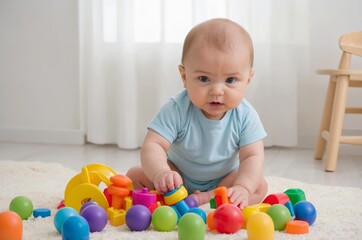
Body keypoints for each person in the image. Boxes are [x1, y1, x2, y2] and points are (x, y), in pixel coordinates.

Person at [126, 18, 268, 208]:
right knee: (135, 176)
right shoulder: (177, 108)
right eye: (204, 78)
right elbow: (153, 144)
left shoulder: (246, 115)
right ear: (184, 77)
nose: (217, 90)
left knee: (258, 185)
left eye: (231, 80)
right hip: (177, 179)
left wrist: (242, 187)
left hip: (223, 181)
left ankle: (210, 197)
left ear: (248, 80)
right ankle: (179, 198)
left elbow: (252, 156)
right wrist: (161, 173)